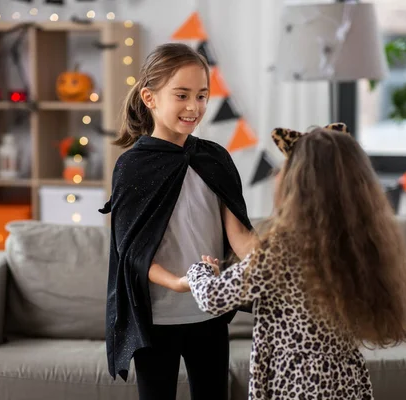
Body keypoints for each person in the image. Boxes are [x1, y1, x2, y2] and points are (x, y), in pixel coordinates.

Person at [185, 123, 406, 400]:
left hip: (295, 381)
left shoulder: (283, 248)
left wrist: (199, 272)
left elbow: (214, 298)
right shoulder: (353, 243)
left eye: (285, 167)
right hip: (346, 378)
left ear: (299, 183)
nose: (277, 174)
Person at [98, 43, 256, 399]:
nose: (194, 107)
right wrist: (178, 282)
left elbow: (241, 236)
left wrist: (277, 268)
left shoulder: (214, 158)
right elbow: (132, 254)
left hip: (210, 312)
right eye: (181, 95)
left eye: (202, 96)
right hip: (156, 320)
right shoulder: (132, 167)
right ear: (150, 97)